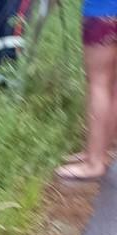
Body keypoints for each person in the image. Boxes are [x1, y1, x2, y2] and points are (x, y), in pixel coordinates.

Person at [56, 0, 117, 181]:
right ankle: (100, 152)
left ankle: (94, 163)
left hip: (101, 13)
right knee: (113, 84)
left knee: (98, 83)